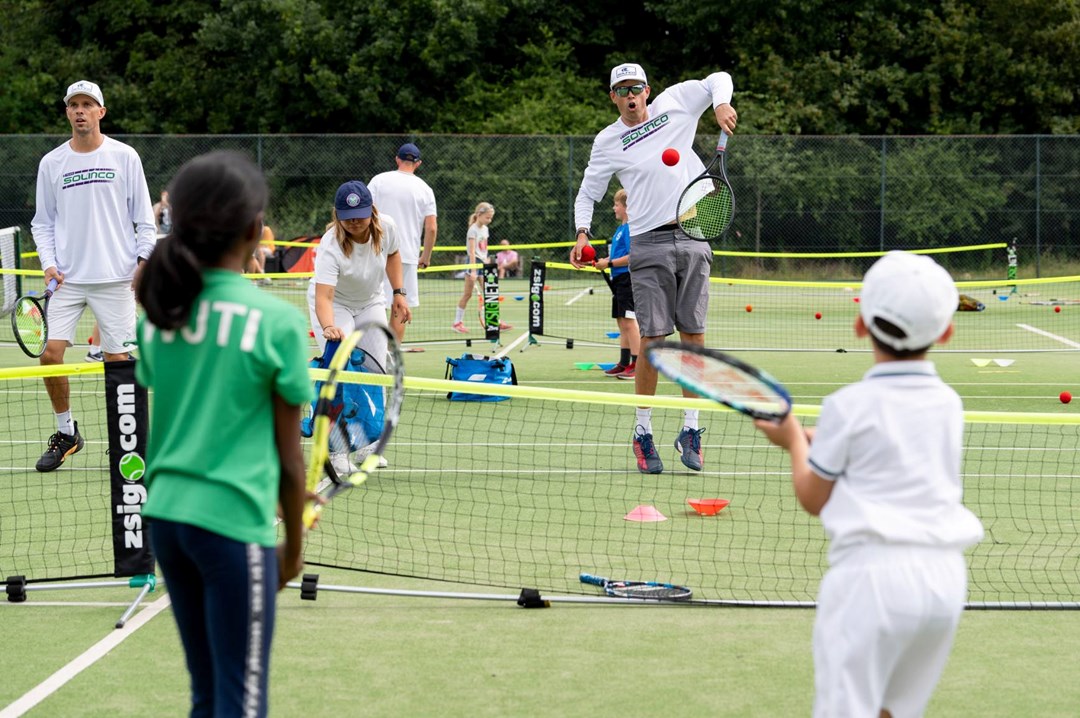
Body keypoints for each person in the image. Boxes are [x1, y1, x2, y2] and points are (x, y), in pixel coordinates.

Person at [754, 251, 984, 718]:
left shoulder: (848, 406)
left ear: (860, 324)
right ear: (946, 331)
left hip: (871, 585)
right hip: (943, 585)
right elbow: (884, 446)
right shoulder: (948, 404)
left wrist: (795, 441)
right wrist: (809, 436)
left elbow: (813, 496)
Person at [134, 151, 312, 717]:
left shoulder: (157, 317)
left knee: (208, 694)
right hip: (232, 528)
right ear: (255, 232)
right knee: (241, 700)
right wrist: (291, 556)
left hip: (167, 523)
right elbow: (289, 459)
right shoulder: (277, 322)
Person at [569, 62, 736, 474]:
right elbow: (588, 192)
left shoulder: (676, 102)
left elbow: (718, 78)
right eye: (622, 89)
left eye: (636, 88)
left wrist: (721, 104)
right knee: (655, 341)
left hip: (694, 234)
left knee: (694, 337)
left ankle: (690, 429)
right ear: (613, 96)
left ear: (647, 90)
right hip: (649, 242)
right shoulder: (608, 140)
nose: (631, 95)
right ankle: (643, 431)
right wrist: (583, 233)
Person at [30, 80, 156, 472]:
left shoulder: (125, 156)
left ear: (101, 112)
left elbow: (145, 221)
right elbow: (42, 223)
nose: (80, 111)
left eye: (88, 105)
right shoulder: (51, 163)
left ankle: (128, 441)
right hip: (67, 281)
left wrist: (141, 264)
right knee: (51, 357)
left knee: (119, 360)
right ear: (67, 112)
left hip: (115, 279)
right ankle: (67, 433)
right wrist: (48, 264)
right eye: (74, 105)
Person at [367, 143, 438, 342]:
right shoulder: (425, 189)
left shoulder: (378, 180)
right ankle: (391, 359)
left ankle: (372, 355)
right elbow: (431, 227)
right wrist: (426, 256)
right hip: (405, 256)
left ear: (397, 159)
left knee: (371, 304)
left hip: (374, 251)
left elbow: (365, 212)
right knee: (399, 307)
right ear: (418, 163)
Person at [593, 189, 640, 380]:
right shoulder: (621, 229)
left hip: (628, 279)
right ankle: (624, 362)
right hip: (618, 280)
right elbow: (617, 254)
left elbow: (633, 257)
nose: (614, 208)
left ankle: (638, 365)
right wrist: (603, 261)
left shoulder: (631, 228)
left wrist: (610, 263)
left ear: (627, 207)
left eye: (617, 205)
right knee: (622, 322)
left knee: (630, 321)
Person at [452, 202, 511, 333]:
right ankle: (457, 323)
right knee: (467, 295)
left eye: (491, 218)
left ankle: (494, 320)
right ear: (479, 214)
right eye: (487, 217)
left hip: (483, 263)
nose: (489, 220)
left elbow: (484, 247)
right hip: (473, 263)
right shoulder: (472, 230)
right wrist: (473, 270)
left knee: (490, 293)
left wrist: (487, 260)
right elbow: (472, 252)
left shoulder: (485, 229)